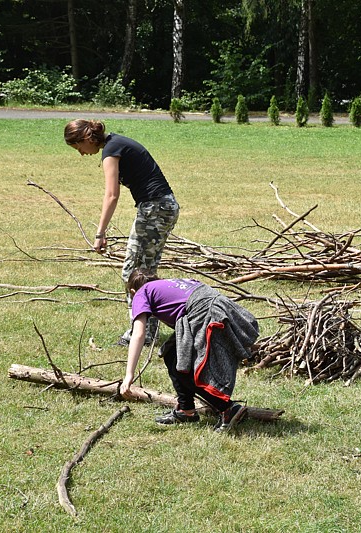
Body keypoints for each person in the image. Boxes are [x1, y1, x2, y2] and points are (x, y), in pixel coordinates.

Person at [64, 119, 179, 345]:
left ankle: (141, 333)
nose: (81, 153)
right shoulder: (115, 144)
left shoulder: (111, 150)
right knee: (145, 271)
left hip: (155, 208)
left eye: (78, 147)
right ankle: (148, 331)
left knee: (132, 273)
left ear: (86, 138)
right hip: (163, 207)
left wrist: (100, 233)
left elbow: (111, 195)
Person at [118, 268, 260, 433]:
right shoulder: (171, 282)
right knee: (171, 353)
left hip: (203, 310)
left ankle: (229, 408)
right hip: (218, 304)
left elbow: (139, 333)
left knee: (183, 366)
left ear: (133, 291)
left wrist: (129, 375)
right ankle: (186, 410)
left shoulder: (141, 293)